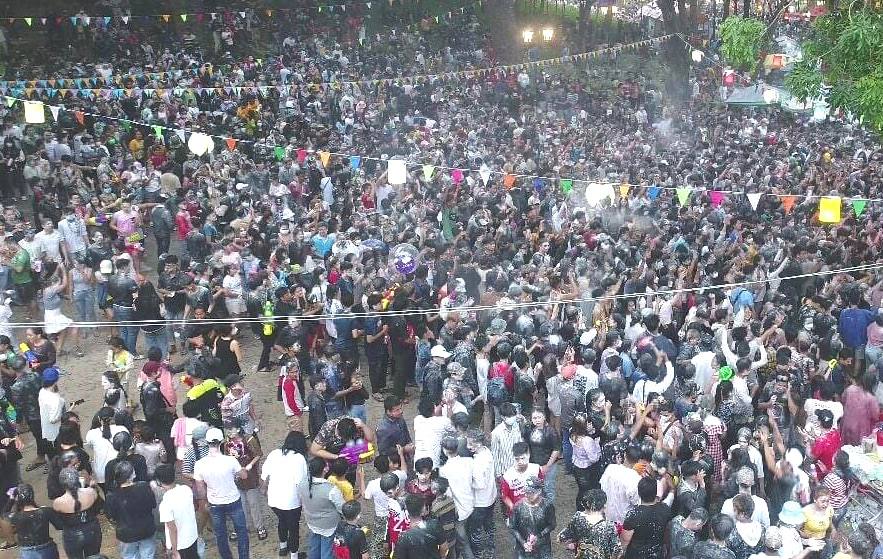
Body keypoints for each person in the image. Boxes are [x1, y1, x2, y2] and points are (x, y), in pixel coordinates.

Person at [193, 427, 250, 559]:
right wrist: (243, 468)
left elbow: (200, 489)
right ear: (222, 442)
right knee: (241, 532)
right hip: (233, 500)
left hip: (215, 502)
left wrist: (205, 501)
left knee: (220, 534)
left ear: (207, 442)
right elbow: (244, 476)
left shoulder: (200, 464)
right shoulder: (230, 460)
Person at [261, 431, 309, 559]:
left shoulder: (274, 453)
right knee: (293, 528)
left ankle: (283, 547)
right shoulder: (299, 458)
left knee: (282, 521)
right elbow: (301, 484)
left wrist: (265, 489)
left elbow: (264, 474)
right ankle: (294, 555)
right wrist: (305, 502)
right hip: (291, 502)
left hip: (274, 499)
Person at [104, 460, 157, 559]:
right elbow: (153, 504)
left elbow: (111, 516)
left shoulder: (112, 496)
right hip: (146, 530)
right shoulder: (144, 487)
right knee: (148, 555)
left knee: (129, 556)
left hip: (126, 533)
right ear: (132, 475)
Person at [299, 456, 345, 559]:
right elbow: (342, 508)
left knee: (314, 547)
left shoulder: (302, 483)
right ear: (325, 469)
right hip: (328, 525)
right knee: (327, 551)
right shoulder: (331, 490)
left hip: (311, 521)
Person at [51, 467, 102, 559]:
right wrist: (93, 486)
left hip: (72, 535)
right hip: (92, 530)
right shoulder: (91, 492)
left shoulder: (58, 502)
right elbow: (98, 508)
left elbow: (58, 524)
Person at [558, 488, 621, 559]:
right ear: (604, 506)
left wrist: (574, 544)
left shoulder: (578, 517)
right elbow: (617, 551)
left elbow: (562, 537)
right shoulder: (609, 526)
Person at [6, 483, 62, 559]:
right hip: (47, 548)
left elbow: (5, 513)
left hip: (28, 552)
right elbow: (59, 526)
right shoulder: (45, 511)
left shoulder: (16, 516)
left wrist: (12, 498)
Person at [156, 463, 200, 559]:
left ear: (159, 482)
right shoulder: (186, 489)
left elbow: (172, 529)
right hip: (192, 536)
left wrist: (174, 551)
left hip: (180, 544)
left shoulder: (165, 504)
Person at [622, 476, 672, 559]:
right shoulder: (665, 509)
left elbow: (625, 540)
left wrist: (621, 554)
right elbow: (667, 531)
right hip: (657, 552)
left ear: (639, 493)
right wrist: (666, 546)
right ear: (655, 492)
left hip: (637, 555)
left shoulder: (633, 514)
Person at [510, 476, 556, 559]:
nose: (527, 495)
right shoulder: (518, 506)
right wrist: (523, 543)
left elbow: (552, 524)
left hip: (543, 546)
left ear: (539, 492)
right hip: (523, 547)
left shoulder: (547, 505)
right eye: (526, 492)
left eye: (531, 493)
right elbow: (513, 528)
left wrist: (538, 536)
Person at [394, 493, 449, 559]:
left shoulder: (403, 537)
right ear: (423, 510)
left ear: (407, 511)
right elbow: (444, 547)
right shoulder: (435, 524)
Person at [523, 409, 560, 503]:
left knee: (548, 487)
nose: (537, 420)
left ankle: (549, 508)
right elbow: (526, 445)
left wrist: (547, 466)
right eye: (534, 418)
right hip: (533, 464)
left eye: (539, 417)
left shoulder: (551, 431)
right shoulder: (529, 429)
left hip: (548, 464)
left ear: (544, 417)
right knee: (534, 486)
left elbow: (556, 450)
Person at [37, 367, 67, 459]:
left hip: (45, 428)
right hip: (55, 432)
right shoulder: (55, 399)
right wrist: (64, 414)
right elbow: (53, 419)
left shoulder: (42, 391)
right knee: (58, 454)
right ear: (56, 380)